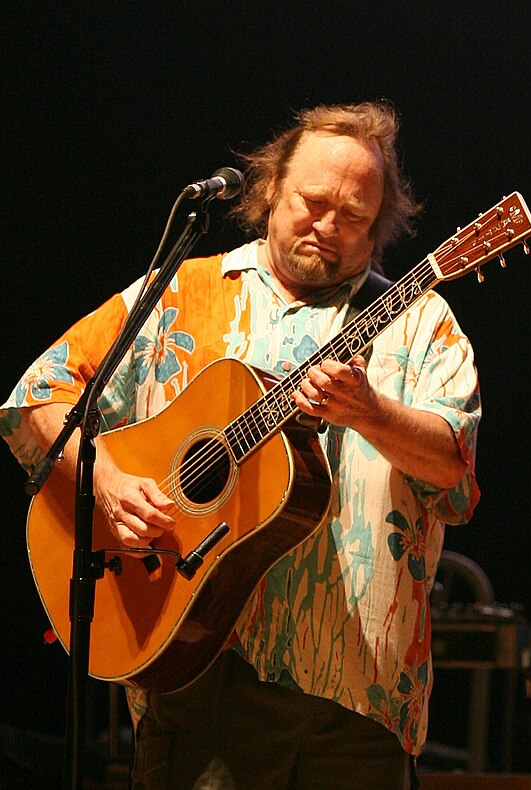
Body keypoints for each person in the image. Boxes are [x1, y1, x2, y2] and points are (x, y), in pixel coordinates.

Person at [1, 102, 481, 788]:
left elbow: (454, 473)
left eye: (355, 215)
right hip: (196, 676)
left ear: (379, 225)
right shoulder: (180, 294)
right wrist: (104, 480)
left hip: (357, 698)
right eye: (313, 202)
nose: (329, 225)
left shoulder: (421, 321)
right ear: (271, 190)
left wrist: (371, 413)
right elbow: (39, 395)